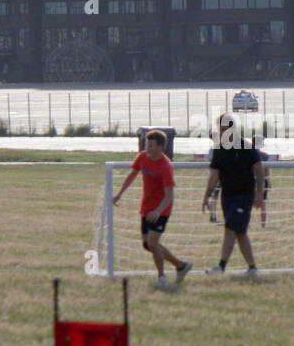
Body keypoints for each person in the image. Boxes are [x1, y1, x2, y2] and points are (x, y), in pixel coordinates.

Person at [113, 130, 192, 288]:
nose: (147, 148)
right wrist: (119, 194)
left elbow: (169, 195)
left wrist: (158, 211)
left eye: (151, 145)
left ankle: (161, 277)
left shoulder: (166, 166)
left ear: (161, 147)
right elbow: (132, 175)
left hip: (162, 209)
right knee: (147, 244)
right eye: (146, 145)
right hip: (147, 207)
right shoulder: (142, 157)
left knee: (153, 242)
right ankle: (181, 266)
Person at [203, 113, 264, 277]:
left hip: (244, 196)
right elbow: (214, 176)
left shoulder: (246, 147)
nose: (223, 132)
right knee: (239, 232)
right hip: (227, 196)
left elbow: (259, 170)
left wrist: (259, 194)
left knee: (230, 228)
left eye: (225, 129)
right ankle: (252, 268)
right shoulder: (219, 150)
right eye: (220, 129)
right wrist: (206, 196)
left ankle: (221, 267)